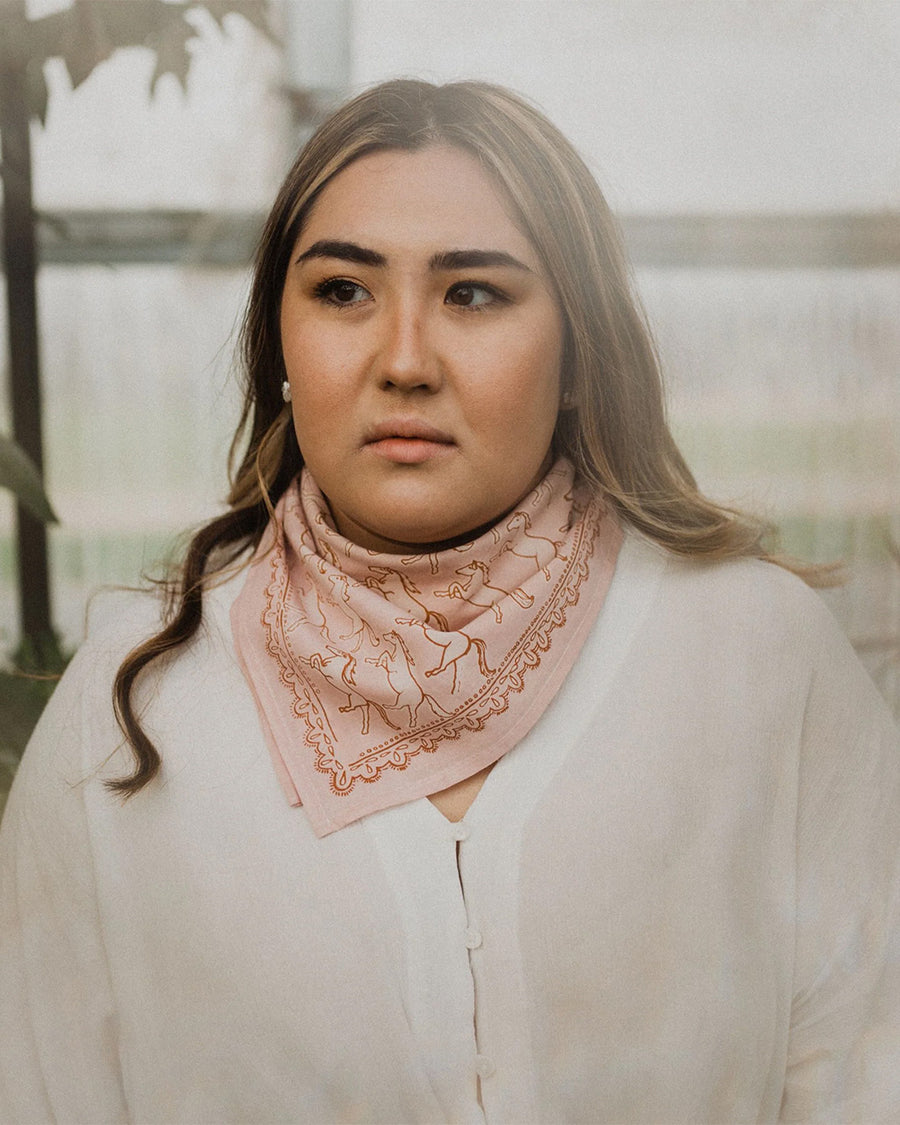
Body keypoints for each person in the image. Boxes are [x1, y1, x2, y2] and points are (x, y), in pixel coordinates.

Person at [1, 78, 898, 1125]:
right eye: (343, 291)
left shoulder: (756, 656)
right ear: (279, 347)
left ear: (576, 353)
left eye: (474, 293)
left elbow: (867, 1074)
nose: (406, 362)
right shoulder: (130, 708)